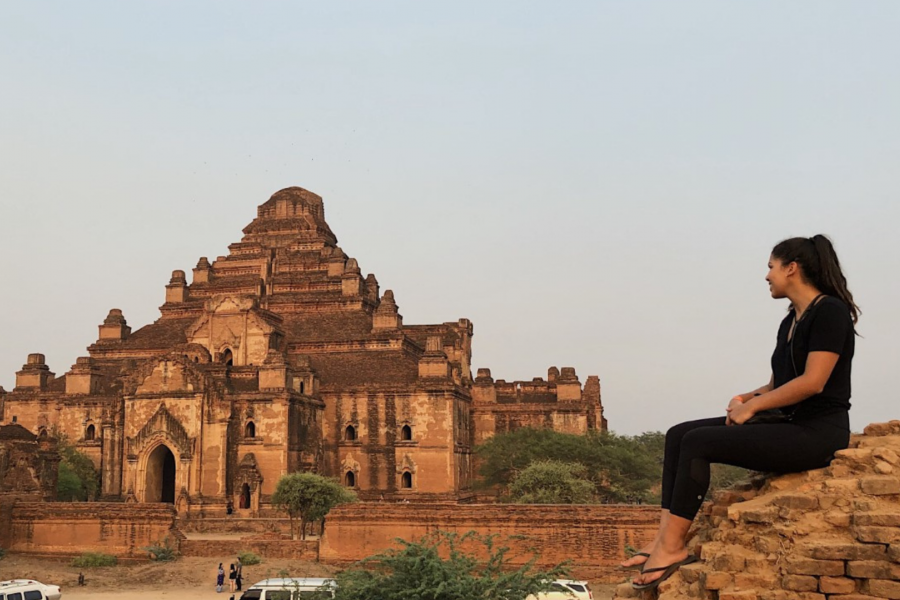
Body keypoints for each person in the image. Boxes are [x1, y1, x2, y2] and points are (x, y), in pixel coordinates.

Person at [626, 235, 859, 591]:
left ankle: (672, 548)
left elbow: (813, 382)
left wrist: (754, 407)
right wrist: (747, 396)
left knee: (699, 443)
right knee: (678, 434)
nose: (767, 276)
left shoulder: (830, 312)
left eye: (771, 267)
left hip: (816, 433)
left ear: (791, 268)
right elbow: (778, 382)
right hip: (787, 422)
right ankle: (662, 541)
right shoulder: (791, 320)